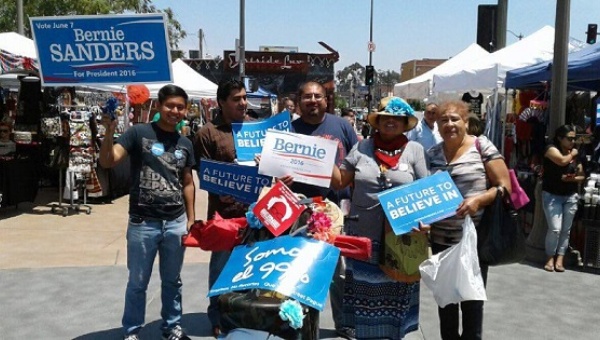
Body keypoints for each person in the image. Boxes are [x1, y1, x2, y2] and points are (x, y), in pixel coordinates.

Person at [99, 84, 195, 340]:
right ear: (159, 105)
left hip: (175, 222)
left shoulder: (185, 142)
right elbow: (108, 161)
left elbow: (187, 182)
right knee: (138, 283)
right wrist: (108, 132)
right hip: (143, 223)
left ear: (185, 110)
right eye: (170, 106)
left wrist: (192, 219)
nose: (175, 111)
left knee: (173, 281)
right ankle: (132, 331)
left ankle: (172, 327)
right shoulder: (138, 133)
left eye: (180, 107)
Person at [331, 96, 429, 339]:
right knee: (365, 304)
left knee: (396, 301)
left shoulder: (415, 150)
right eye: (385, 117)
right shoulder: (362, 148)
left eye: (397, 117)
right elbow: (341, 180)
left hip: (401, 241)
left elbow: (427, 190)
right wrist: (318, 158)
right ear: (378, 121)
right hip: (364, 238)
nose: (390, 122)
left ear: (405, 122)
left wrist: (426, 223)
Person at [427, 100, 511, 340]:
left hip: (472, 242)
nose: (449, 124)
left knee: (472, 304)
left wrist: (479, 200)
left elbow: (505, 187)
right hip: (441, 242)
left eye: (455, 119)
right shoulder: (432, 154)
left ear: (466, 122)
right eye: (444, 120)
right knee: (446, 304)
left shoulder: (481, 146)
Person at [288, 81, 359, 338]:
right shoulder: (288, 130)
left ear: (326, 100)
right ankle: (300, 325)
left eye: (318, 96)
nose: (313, 100)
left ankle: (344, 324)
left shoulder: (342, 126)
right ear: (299, 101)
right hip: (301, 212)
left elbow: (356, 163)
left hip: (337, 211)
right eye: (307, 96)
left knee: (339, 273)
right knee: (301, 270)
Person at [192, 78, 250, 338]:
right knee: (220, 270)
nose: (243, 103)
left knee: (250, 269)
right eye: (236, 99)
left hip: (254, 216)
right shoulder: (207, 133)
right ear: (221, 102)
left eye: (244, 98)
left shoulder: (255, 129)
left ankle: (245, 315)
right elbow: (204, 174)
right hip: (223, 217)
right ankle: (217, 316)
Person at [542, 125, 585, 272]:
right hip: (552, 195)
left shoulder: (574, 155)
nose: (572, 142)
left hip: (570, 195)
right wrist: (572, 154)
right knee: (555, 228)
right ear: (560, 138)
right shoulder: (551, 148)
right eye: (569, 138)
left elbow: (581, 175)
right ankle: (549, 257)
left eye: (574, 139)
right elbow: (561, 161)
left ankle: (560, 258)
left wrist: (572, 179)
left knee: (566, 230)